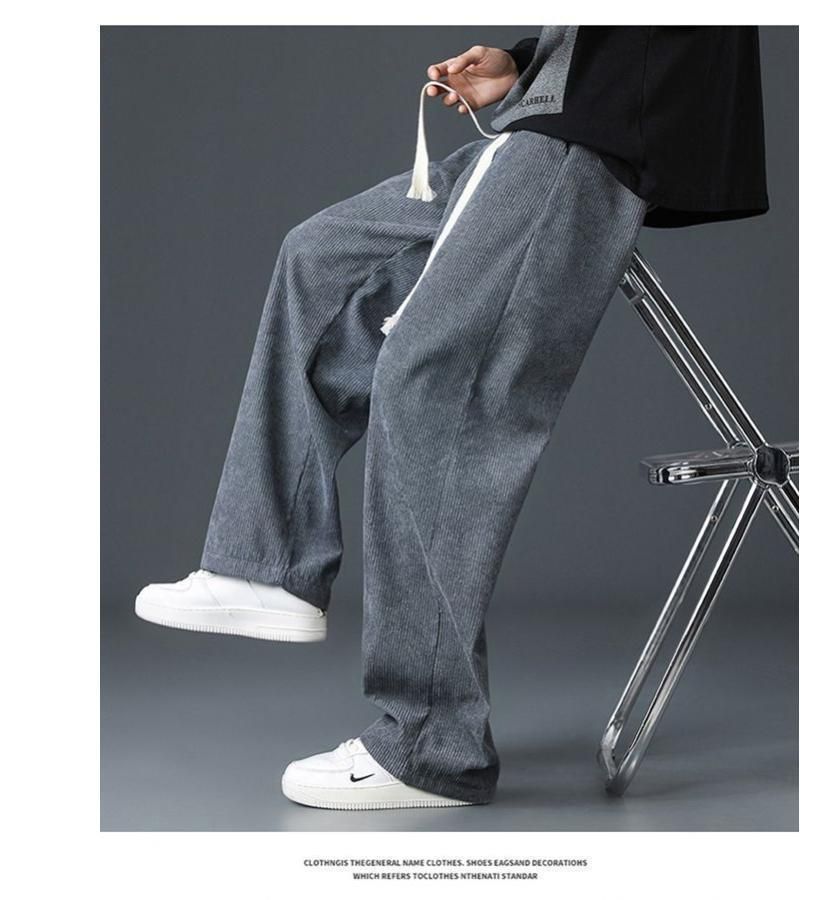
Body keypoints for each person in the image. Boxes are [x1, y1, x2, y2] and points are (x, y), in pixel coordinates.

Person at [135, 26, 769, 811]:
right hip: (548, 117)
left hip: (596, 137)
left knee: (435, 384)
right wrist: (527, 62)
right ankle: (264, 565)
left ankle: (432, 747)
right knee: (320, 263)